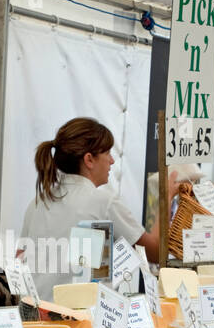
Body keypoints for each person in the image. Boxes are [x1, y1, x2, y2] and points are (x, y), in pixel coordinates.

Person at [19, 118, 173, 301]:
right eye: (107, 153)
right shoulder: (102, 202)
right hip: (78, 320)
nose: (112, 160)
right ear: (89, 159)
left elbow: (20, 261)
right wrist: (166, 197)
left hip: (34, 319)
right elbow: (155, 252)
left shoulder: (38, 201)